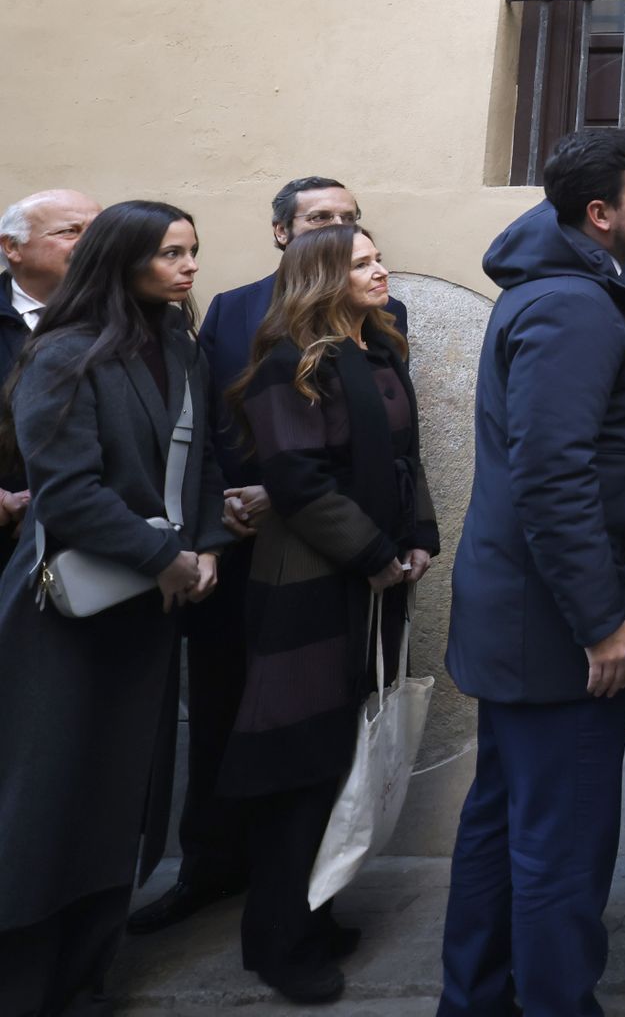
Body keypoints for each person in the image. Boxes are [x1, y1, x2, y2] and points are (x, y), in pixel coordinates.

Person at [130, 176, 409, 937]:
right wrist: (235, 500)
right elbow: (214, 413)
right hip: (242, 544)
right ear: (286, 232)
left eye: (351, 218)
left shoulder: (380, 319)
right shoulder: (233, 309)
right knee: (227, 712)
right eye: (323, 218)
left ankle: (296, 894)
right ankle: (210, 871)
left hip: (325, 549)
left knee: (312, 730)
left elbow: (382, 447)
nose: (341, 228)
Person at [438, 127, 625, 1017]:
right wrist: (601, 622)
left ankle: (476, 1002)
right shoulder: (572, 308)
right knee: (560, 850)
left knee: (505, 826)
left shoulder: (581, 291)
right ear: (600, 214)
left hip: (530, 625)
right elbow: (551, 476)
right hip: (558, 635)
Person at [0, 200, 230, 1016]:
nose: (190, 266)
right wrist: (166, 556)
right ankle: (25, 986)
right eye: (171, 252)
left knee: (120, 802)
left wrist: (201, 548)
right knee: (47, 801)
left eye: (193, 250)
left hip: (151, 609)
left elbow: (199, 469)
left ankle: (91, 976)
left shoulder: (178, 344)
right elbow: (67, 492)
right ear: (122, 259)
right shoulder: (62, 352)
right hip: (67, 616)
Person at [216, 222, 438, 1003]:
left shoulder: (378, 353)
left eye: (380, 257)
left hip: (372, 580)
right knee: (298, 761)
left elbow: (407, 462)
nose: (382, 271)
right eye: (363, 263)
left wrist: (418, 539)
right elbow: (300, 481)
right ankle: (279, 942)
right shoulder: (290, 366)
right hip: (312, 583)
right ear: (321, 277)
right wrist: (376, 553)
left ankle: (313, 912)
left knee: (342, 754)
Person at [0, 189, 102, 567]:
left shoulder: (132, 322)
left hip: (101, 542)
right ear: (12, 246)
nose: (90, 244)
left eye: (98, 231)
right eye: (71, 231)